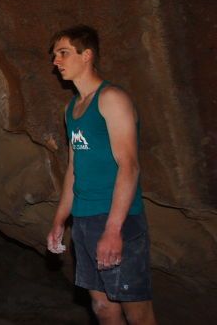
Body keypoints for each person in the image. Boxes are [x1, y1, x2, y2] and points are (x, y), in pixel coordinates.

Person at [46, 26, 156, 325]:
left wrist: (113, 229)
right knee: (102, 307)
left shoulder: (111, 98)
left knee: (136, 308)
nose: (56, 61)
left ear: (87, 55)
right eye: (55, 54)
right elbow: (74, 168)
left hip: (117, 217)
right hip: (84, 219)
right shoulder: (72, 108)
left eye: (64, 53)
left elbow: (129, 165)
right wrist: (60, 220)